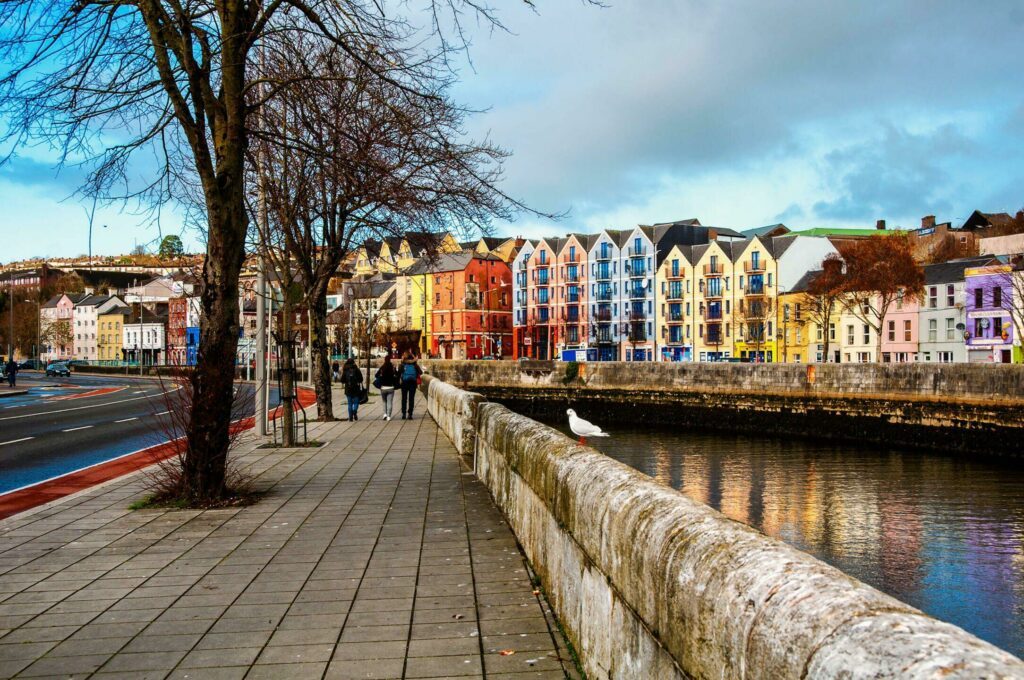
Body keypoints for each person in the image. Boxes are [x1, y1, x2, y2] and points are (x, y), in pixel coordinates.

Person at [399, 351, 422, 420]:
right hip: (413, 383)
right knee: (411, 399)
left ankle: (403, 414)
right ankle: (410, 414)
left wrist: (402, 361)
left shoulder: (403, 365)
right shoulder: (415, 365)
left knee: (404, 398)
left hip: (404, 383)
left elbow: (399, 372)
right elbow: (420, 372)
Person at [374, 357, 399, 421]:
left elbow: (376, 375)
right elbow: (397, 375)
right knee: (390, 402)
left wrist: (381, 376)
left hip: (383, 388)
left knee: (384, 402)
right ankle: (389, 416)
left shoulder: (382, 367)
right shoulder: (392, 368)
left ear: (385, 360)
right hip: (391, 387)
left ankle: (384, 414)